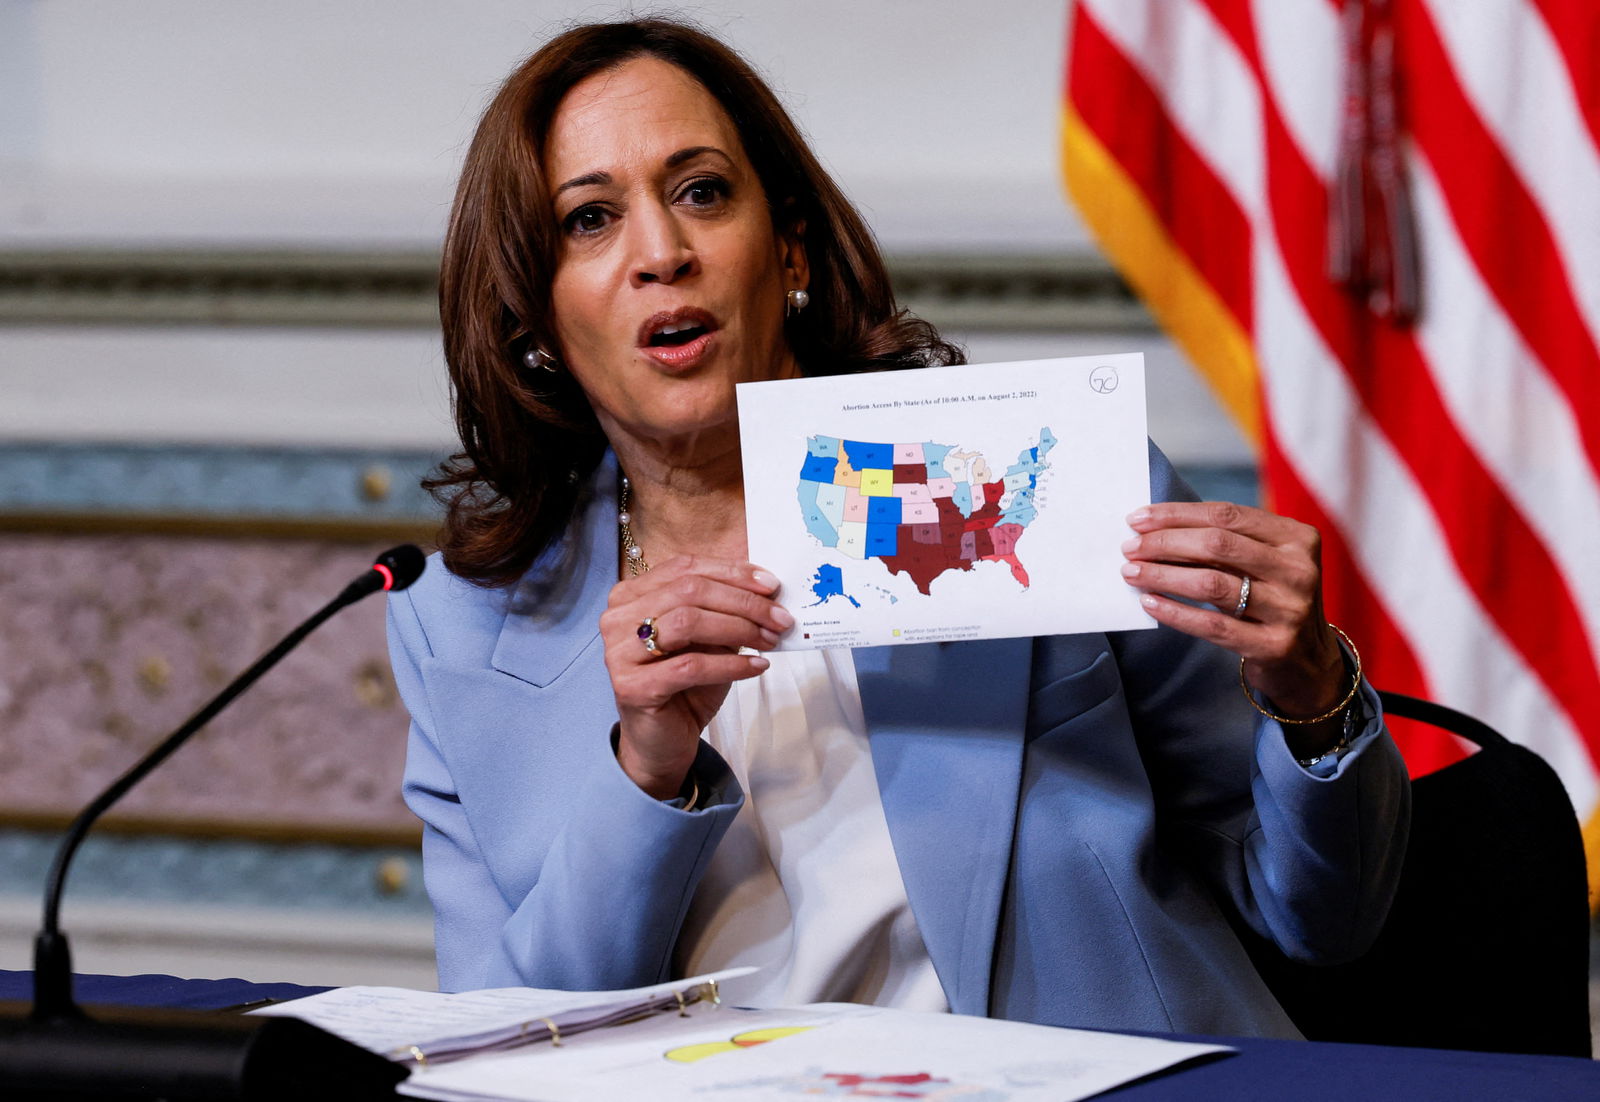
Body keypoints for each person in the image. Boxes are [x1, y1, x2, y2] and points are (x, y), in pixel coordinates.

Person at [388, 17, 1409, 1038]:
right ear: (533, 319)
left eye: (701, 192)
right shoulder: (457, 630)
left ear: (787, 245)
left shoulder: (1032, 478)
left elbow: (1320, 915)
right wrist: (645, 767)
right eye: (588, 219)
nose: (662, 252)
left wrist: (1312, 692)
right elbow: (510, 1037)